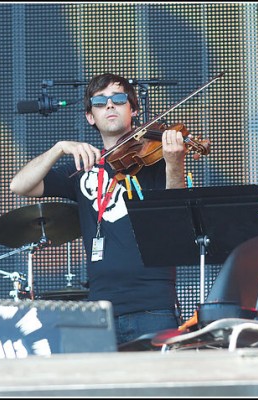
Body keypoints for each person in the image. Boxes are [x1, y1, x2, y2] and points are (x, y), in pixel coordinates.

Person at [10, 73, 187, 347]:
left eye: (119, 99)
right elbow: (20, 185)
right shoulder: (82, 167)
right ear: (90, 116)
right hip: (100, 309)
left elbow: (177, 214)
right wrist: (59, 148)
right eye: (100, 102)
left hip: (153, 306)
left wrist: (175, 163)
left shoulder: (156, 158)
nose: (110, 106)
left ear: (134, 110)